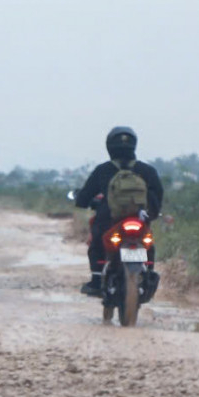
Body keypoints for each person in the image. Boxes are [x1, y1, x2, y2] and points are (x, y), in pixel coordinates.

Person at [74, 126, 164, 298]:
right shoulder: (147, 170)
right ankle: (149, 272)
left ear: (109, 146)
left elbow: (84, 197)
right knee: (148, 244)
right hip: (140, 220)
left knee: (96, 245)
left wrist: (84, 201)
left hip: (109, 221)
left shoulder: (103, 170)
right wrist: (151, 214)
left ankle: (96, 279)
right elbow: (158, 195)